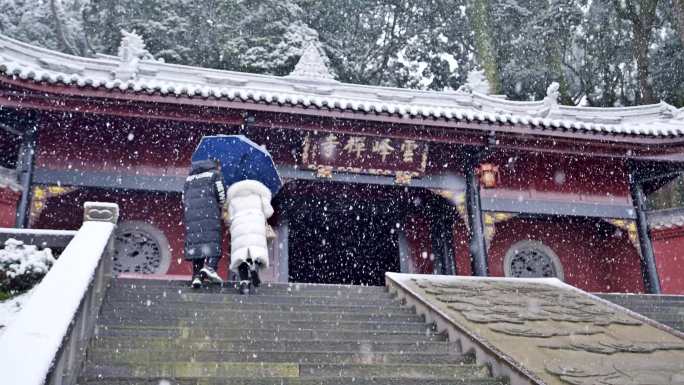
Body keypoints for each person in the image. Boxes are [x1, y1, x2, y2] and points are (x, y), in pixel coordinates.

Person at [182, 159, 226, 288]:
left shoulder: (189, 179)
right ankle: (211, 267)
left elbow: (183, 198)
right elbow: (221, 195)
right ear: (215, 166)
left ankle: (197, 276)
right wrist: (220, 205)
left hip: (192, 216)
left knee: (197, 245)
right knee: (213, 241)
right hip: (210, 213)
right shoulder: (215, 175)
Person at [226, 179, 274, 294]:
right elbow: (269, 212)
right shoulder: (259, 194)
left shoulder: (234, 197)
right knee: (256, 252)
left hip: (240, 227)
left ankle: (244, 283)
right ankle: (254, 268)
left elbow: (230, 217)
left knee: (241, 255)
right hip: (256, 225)